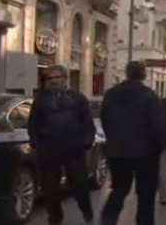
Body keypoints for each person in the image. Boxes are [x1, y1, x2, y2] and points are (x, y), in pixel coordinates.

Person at [27, 65, 95, 225]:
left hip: (74, 149)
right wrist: (36, 143)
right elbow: (33, 124)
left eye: (57, 77)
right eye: (50, 78)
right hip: (49, 150)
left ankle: (87, 211)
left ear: (65, 79)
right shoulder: (41, 100)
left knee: (79, 185)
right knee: (49, 189)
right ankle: (55, 218)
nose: (54, 81)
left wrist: (85, 142)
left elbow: (87, 123)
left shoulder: (78, 98)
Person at [100, 61, 165, 225]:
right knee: (146, 194)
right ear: (143, 74)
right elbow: (156, 126)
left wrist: (113, 141)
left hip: (118, 151)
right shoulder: (149, 96)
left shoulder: (111, 94)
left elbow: (105, 120)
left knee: (119, 189)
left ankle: (108, 219)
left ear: (127, 73)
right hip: (146, 153)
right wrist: (158, 148)